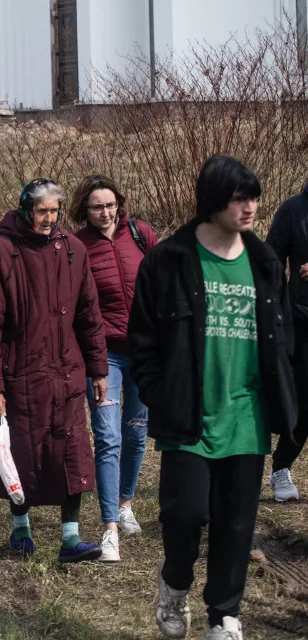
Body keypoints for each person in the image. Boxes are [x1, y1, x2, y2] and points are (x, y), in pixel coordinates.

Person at [129, 156, 297, 640]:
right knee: (185, 515)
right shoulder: (170, 260)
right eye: (240, 198)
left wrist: (283, 387)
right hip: (188, 415)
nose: (251, 207)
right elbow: (142, 339)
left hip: (247, 414)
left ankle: (223, 614)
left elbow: (280, 337)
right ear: (213, 202)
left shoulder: (264, 262)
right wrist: (161, 394)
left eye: (254, 197)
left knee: (236, 524)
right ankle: (174, 581)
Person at [0, 178, 108, 562]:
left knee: (72, 452)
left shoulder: (74, 250)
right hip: (20, 373)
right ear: (26, 209)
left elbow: (88, 315)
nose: (49, 219)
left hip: (65, 370)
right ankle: (21, 531)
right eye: (42, 211)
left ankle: (71, 539)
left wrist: (98, 369)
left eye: (54, 211)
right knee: (20, 453)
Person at [70, 175, 159, 562]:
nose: (105, 213)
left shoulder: (141, 234)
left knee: (137, 432)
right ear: (84, 211)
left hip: (145, 351)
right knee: (107, 437)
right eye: (96, 207)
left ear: (119, 204)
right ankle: (109, 528)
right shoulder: (76, 247)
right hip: (103, 355)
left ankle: (125, 504)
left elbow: (163, 282)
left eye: (110, 205)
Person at [264, 181, 308, 502]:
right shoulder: (293, 209)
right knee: (302, 401)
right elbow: (270, 261)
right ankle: (280, 468)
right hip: (302, 320)